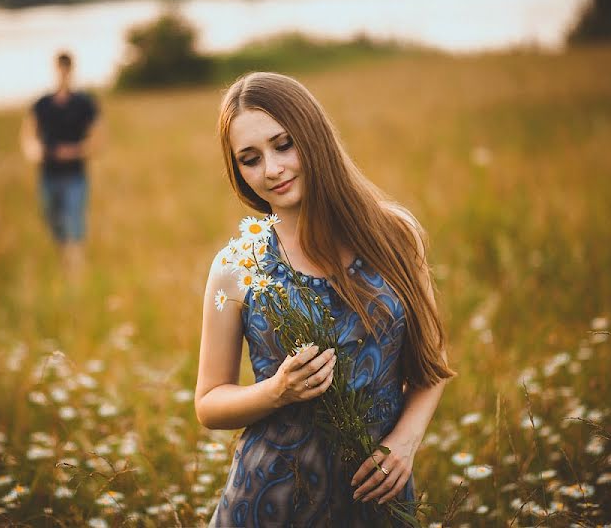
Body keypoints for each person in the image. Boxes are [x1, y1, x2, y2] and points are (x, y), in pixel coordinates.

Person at [195, 72, 457, 527]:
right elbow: (209, 402)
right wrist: (276, 392)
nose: (272, 169)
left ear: (314, 136)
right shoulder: (238, 265)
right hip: (268, 504)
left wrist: (404, 442)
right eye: (250, 159)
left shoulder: (395, 236)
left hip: (376, 499)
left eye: (283, 144)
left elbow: (431, 362)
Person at [20, 51, 104, 281]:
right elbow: (28, 137)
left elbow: (98, 140)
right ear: (55, 70)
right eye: (60, 69)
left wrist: (74, 151)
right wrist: (37, 152)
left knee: (74, 220)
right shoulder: (42, 104)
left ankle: (76, 271)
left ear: (71, 70)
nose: (63, 73)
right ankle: (63, 263)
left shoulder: (84, 103)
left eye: (66, 69)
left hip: (75, 175)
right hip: (48, 175)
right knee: (52, 220)